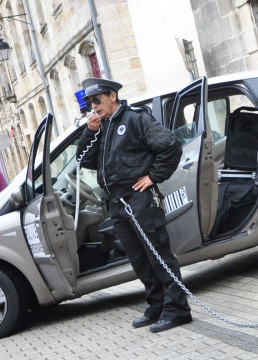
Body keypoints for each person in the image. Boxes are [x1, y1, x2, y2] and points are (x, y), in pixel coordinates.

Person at [75, 77, 191, 333]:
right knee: (139, 260)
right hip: (117, 203)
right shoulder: (102, 126)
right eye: (90, 103)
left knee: (158, 255)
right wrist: (89, 132)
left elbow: (170, 145)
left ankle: (178, 309)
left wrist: (153, 176)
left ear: (112, 96)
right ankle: (157, 305)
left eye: (97, 100)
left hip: (140, 199)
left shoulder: (136, 119)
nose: (94, 106)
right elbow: (84, 160)